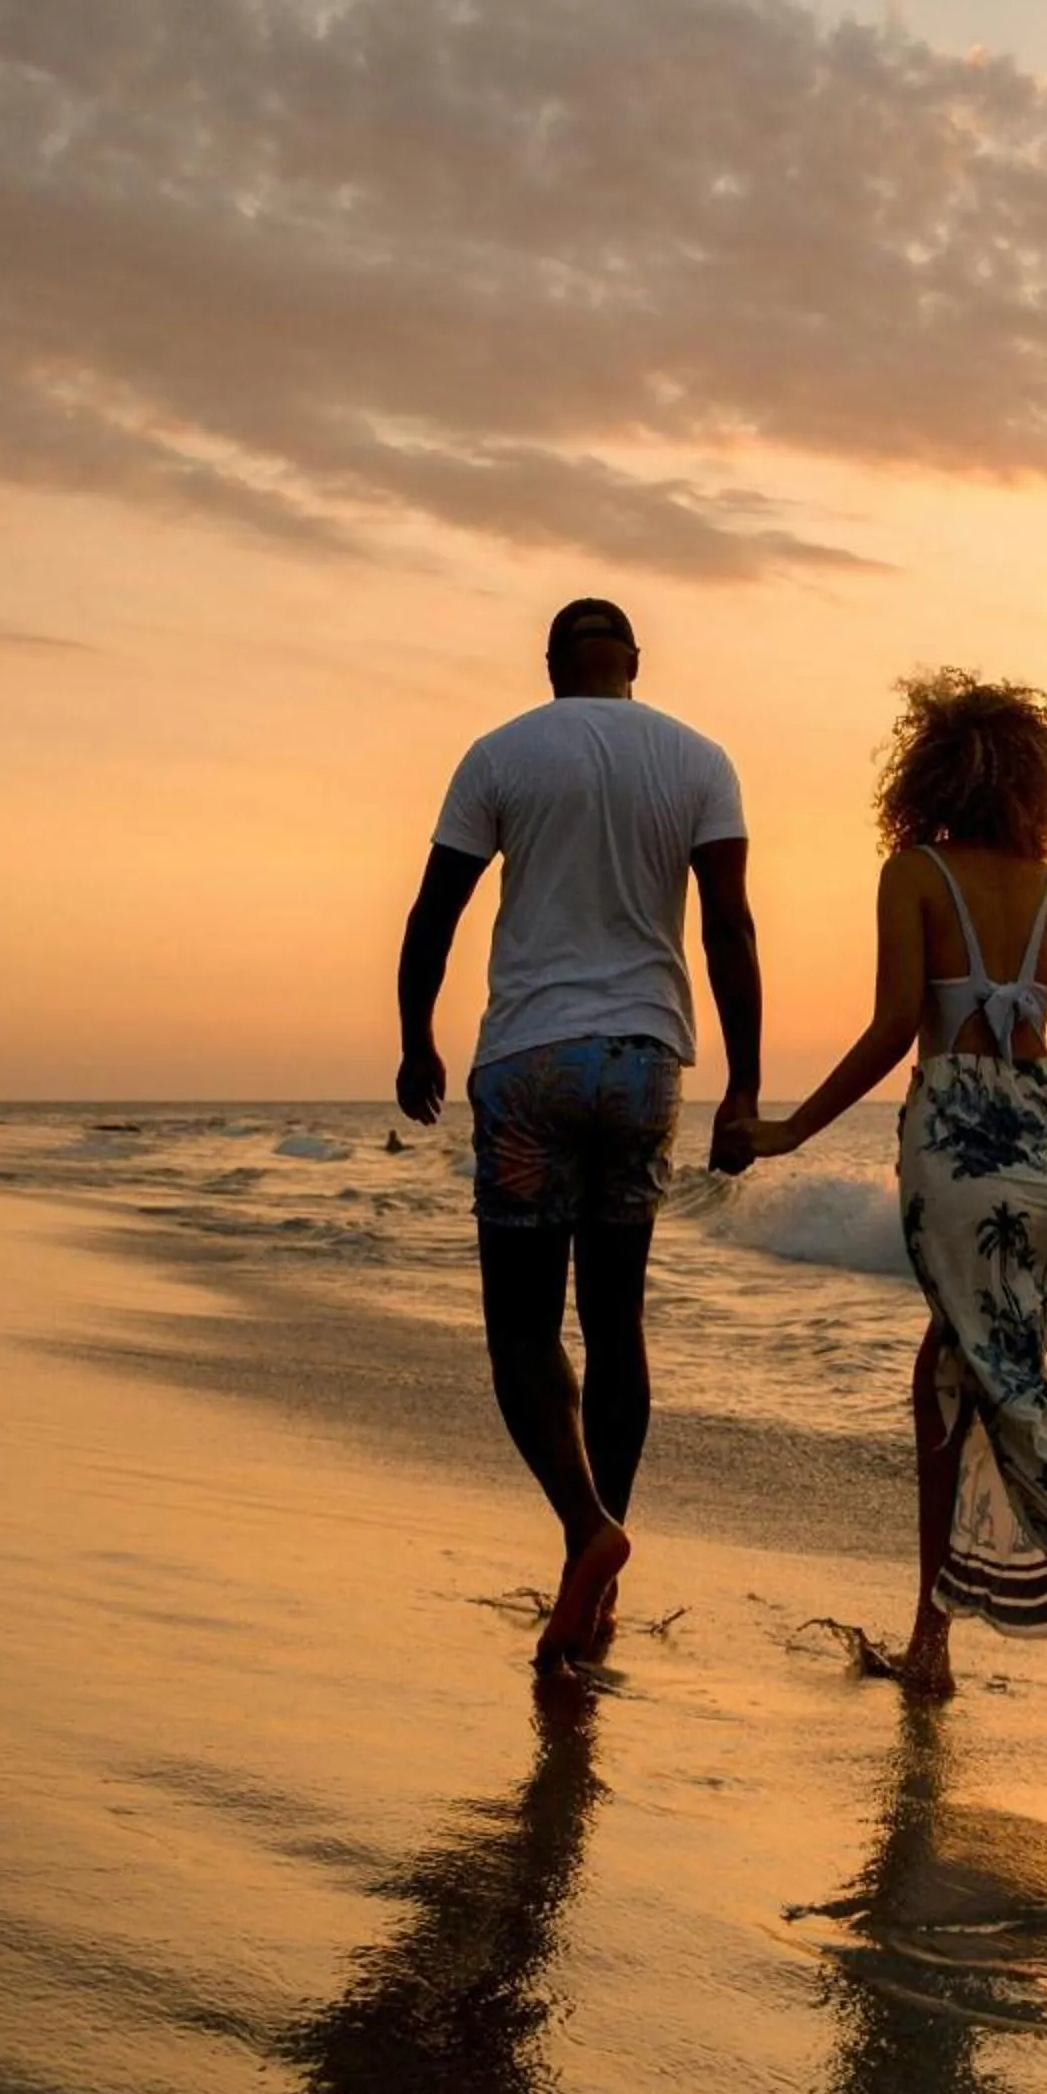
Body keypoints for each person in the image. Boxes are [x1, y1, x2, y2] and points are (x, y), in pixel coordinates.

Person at [716, 669, 1047, 1785]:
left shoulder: (911, 874)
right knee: (957, 1375)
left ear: (929, 770)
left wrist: (787, 1134)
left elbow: (895, 1028)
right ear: (1034, 781)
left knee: (1015, 1407)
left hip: (957, 1154)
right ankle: (930, 1637)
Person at [394, 599, 761, 1674]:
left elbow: (434, 912)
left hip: (528, 1061)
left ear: (550, 666)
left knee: (520, 1331)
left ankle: (584, 1529)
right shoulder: (698, 759)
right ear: (634, 666)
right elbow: (729, 925)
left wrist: (414, 1036)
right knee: (614, 1324)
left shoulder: (501, 752)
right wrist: (742, 1084)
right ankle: (593, 1595)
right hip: (644, 1063)